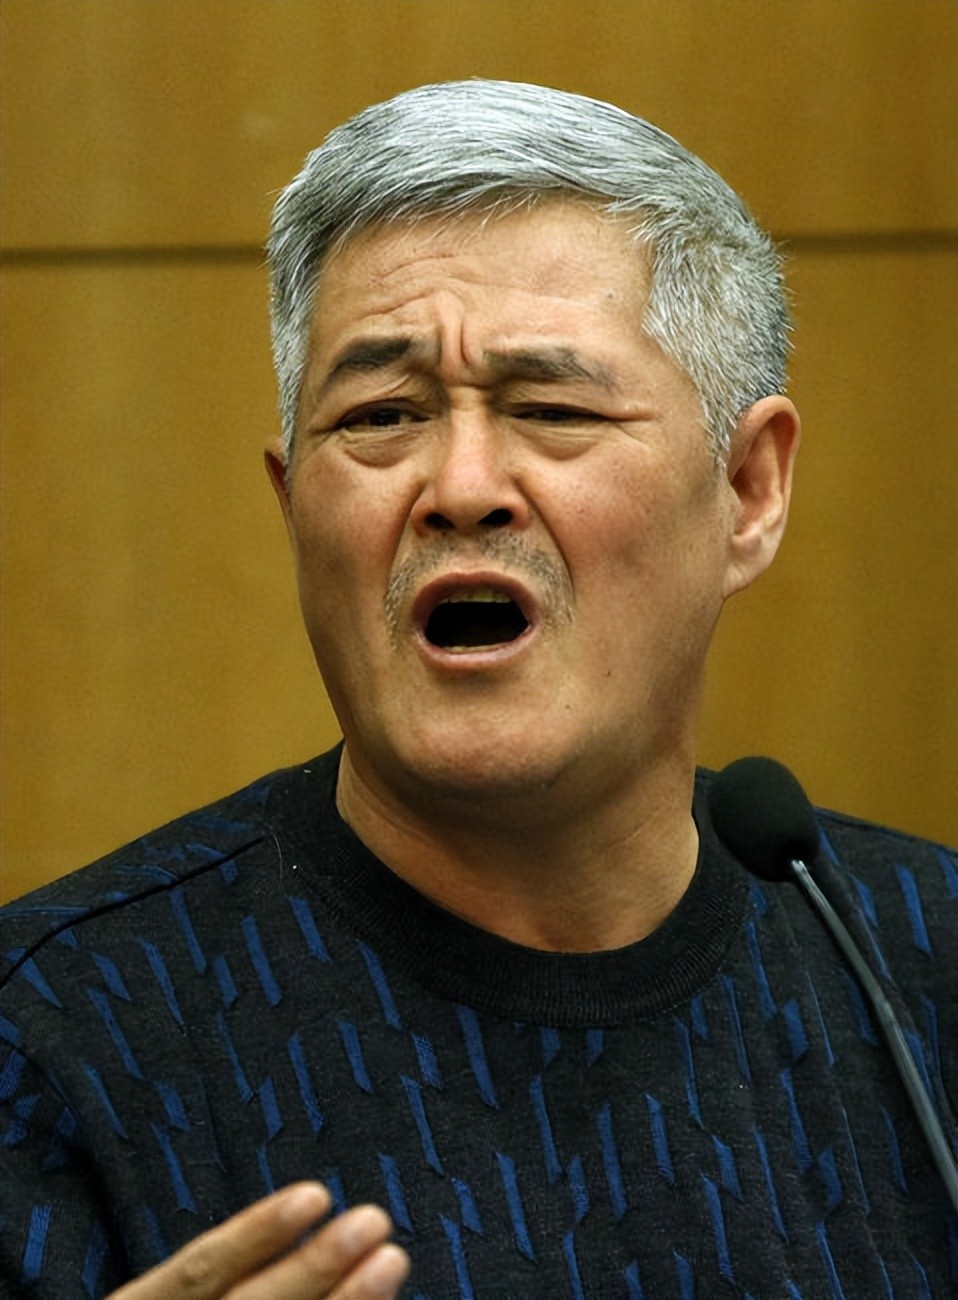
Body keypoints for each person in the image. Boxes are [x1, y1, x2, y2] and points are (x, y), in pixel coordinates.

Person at [1, 80, 954, 1299]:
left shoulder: (922, 963)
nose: (459, 487)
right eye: (380, 415)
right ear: (293, 506)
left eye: (551, 408)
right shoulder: (54, 1038)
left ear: (748, 491)